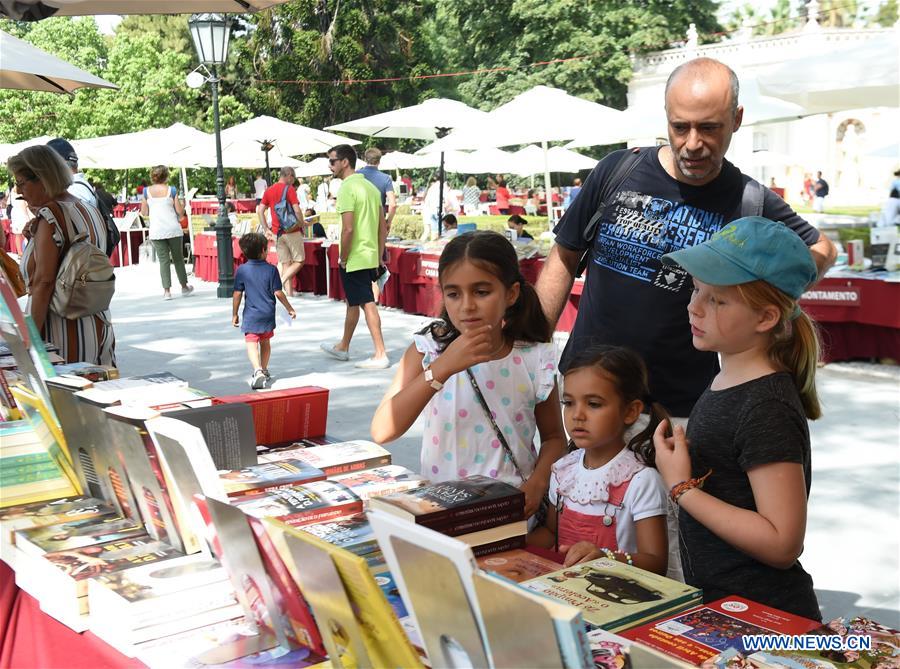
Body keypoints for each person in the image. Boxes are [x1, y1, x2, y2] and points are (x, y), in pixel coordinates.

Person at [535, 57, 836, 420]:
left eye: (709, 128)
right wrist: (531, 349)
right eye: (680, 127)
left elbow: (822, 249)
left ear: (737, 119)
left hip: (679, 409)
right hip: (590, 398)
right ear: (666, 116)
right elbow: (564, 257)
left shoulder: (749, 200)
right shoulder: (617, 170)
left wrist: (765, 290)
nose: (693, 143)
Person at [654, 216, 822, 620]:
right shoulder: (729, 377)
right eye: (696, 290)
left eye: (717, 300)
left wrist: (682, 487)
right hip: (727, 609)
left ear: (765, 318)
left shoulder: (766, 405)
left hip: (767, 620)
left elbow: (782, 543)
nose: (693, 306)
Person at [370, 231, 567, 519]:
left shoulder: (534, 358)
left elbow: (553, 438)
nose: (467, 306)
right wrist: (443, 367)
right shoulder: (428, 350)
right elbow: (383, 430)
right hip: (442, 511)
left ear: (510, 294)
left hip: (510, 515)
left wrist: (537, 485)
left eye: (481, 292)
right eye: (453, 293)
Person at [527, 346, 670, 575]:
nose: (577, 415)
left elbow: (656, 563)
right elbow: (551, 533)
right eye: (569, 403)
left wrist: (605, 558)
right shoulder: (563, 471)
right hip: (566, 593)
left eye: (593, 404)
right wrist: (503, 545)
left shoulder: (641, 480)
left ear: (631, 411)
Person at [7, 146, 115, 365]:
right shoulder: (87, 208)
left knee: (63, 396)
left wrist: (30, 341)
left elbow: (44, 283)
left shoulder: (51, 215)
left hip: (61, 331)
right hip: (95, 323)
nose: (18, 191)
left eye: (20, 183)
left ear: (42, 178)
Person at [319, 144, 389, 370]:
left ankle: (380, 353)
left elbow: (348, 229)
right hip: (369, 254)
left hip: (355, 256)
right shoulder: (369, 188)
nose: (330, 165)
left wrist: (343, 257)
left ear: (344, 162)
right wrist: (378, 256)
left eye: (332, 161)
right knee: (354, 301)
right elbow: (381, 227)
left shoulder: (347, 188)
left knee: (367, 302)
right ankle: (343, 346)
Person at [232, 232, 296, 389]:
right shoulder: (271, 270)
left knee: (251, 342)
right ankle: (265, 369)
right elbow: (278, 292)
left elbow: (237, 294)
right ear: (262, 250)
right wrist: (289, 308)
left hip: (251, 314)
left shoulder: (242, 270)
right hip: (268, 314)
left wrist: (234, 313)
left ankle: (257, 369)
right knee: (265, 342)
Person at [46, 138, 113, 256]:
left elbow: (74, 240)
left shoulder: (72, 191)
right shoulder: (81, 187)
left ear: (56, 165)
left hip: (83, 266)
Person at [140, 165, 193, 300]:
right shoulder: (172, 190)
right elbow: (180, 213)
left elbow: (144, 212)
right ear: (166, 176)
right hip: (173, 229)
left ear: (153, 176)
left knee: (163, 261)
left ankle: (167, 291)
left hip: (157, 231)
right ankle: (184, 287)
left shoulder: (146, 192)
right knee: (178, 259)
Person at [256, 166, 306, 298]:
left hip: (277, 233)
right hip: (292, 231)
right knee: (299, 261)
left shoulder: (269, 190)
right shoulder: (289, 189)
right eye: (293, 177)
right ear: (288, 175)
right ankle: (281, 281)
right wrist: (302, 223)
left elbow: (260, 210)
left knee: (285, 263)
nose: (293, 180)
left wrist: (266, 228)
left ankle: (289, 295)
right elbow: (296, 209)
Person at [357, 148, 397, 233]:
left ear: (365, 159)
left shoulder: (356, 175)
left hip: (359, 219)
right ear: (379, 161)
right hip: (378, 220)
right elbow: (393, 204)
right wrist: (388, 222)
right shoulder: (386, 178)